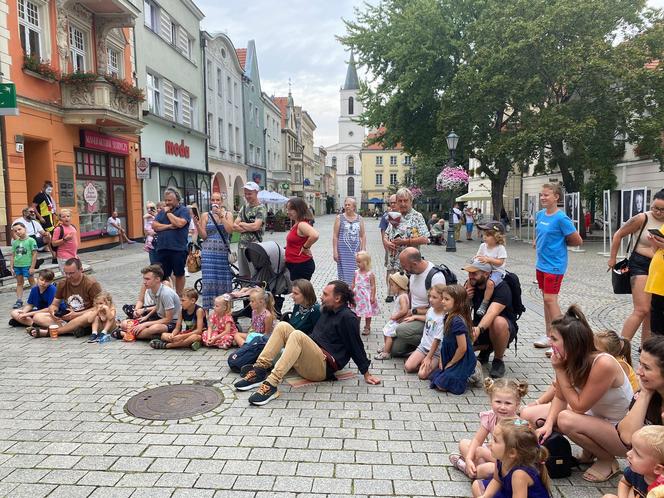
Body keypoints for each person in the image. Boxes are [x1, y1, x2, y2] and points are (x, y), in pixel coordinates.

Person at [522, 305, 632, 483]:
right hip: (593, 419)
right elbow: (560, 396)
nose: (550, 343)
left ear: (571, 343)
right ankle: (590, 452)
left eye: (554, 339)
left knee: (566, 418)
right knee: (528, 414)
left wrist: (560, 370)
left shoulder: (603, 363)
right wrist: (548, 424)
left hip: (619, 432)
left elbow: (579, 406)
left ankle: (607, 460)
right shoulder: (570, 358)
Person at [233, 280, 381, 406]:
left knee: (297, 335)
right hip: (311, 358)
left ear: (338, 298)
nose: (321, 297)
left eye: (325, 294)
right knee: (282, 326)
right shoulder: (327, 310)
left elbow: (356, 346)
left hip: (323, 368)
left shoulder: (348, 318)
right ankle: (259, 370)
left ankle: (271, 384)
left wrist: (366, 373)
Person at [608, 189, 664, 343]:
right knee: (642, 309)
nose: (657, 212)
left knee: (652, 311)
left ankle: (646, 345)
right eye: (655, 208)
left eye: (662, 209)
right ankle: (620, 346)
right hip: (640, 263)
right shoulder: (642, 217)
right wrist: (612, 258)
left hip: (659, 267)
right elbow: (619, 234)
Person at [532, 183, 583, 353]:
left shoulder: (562, 219)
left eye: (546, 195)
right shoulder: (540, 215)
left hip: (555, 265)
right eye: (541, 195)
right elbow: (539, 232)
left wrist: (560, 244)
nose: (543, 198)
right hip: (541, 264)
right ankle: (549, 336)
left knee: (550, 300)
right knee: (546, 301)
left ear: (556, 197)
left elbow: (577, 240)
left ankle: (562, 341)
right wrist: (537, 242)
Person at [450, 378, 529, 480]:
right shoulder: (490, 416)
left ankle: (467, 469)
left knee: (489, 468)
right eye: (498, 402)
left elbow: (514, 459)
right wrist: (469, 458)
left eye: (508, 403)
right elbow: (478, 440)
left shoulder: (519, 424)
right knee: (464, 443)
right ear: (491, 401)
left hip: (508, 464)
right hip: (493, 453)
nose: (502, 407)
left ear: (517, 404)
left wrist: (484, 453)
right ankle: (471, 466)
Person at [471, 418, 552, 498]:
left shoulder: (519, 474)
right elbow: (496, 481)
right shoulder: (500, 459)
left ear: (512, 453)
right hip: (508, 492)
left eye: (495, 440)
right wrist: (486, 496)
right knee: (476, 486)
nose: (490, 443)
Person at [463, 259, 517, 378]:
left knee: (498, 322)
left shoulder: (501, 287)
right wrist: (465, 299)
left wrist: (478, 330)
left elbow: (492, 313)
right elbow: (458, 313)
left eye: (474, 273)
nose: (470, 276)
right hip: (479, 326)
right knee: (458, 348)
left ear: (486, 274)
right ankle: (486, 348)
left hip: (502, 329)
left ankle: (498, 360)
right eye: (469, 273)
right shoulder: (471, 285)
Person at [391, 248, 447, 357]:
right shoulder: (414, 271)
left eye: (404, 266)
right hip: (413, 315)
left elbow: (441, 308)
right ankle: (417, 345)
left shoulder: (436, 277)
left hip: (429, 319)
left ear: (414, 263)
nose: (403, 269)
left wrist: (413, 312)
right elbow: (412, 294)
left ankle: (432, 346)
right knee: (395, 351)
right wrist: (404, 311)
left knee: (401, 331)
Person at [29, 258, 101, 338]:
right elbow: (54, 305)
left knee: (90, 315)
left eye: (71, 273)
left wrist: (76, 314)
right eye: (65, 273)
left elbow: (99, 307)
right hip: (67, 318)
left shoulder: (91, 284)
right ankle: (74, 330)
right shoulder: (62, 283)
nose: (68, 276)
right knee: (37, 317)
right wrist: (53, 313)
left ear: (81, 270)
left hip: (84, 317)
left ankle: (51, 332)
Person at [428, 284, 478, 394]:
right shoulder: (448, 316)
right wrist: (442, 359)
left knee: (442, 385)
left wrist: (451, 362)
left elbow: (462, 347)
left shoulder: (457, 321)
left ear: (457, 302)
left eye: (447, 299)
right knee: (435, 377)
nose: (442, 301)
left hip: (461, 359)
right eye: (443, 298)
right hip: (450, 355)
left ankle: (472, 373)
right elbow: (444, 340)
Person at [118, 265, 181, 341]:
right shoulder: (151, 289)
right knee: (125, 323)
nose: (144, 282)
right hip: (159, 318)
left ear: (157, 279)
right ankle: (136, 333)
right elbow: (158, 306)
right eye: (144, 279)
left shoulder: (166, 293)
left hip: (173, 323)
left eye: (147, 279)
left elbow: (168, 319)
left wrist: (145, 324)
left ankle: (128, 333)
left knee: (155, 328)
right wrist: (146, 317)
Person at [602, 426, 664, 498]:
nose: (628, 453)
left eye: (637, 454)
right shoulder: (636, 471)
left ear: (658, 469)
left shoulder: (661, 488)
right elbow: (624, 483)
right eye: (632, 448)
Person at [197, 192, 234, 310]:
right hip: (208, 253)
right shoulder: (205, 215)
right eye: (213, 200)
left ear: (221, 202)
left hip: (222, 253)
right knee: (209, 280)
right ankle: (208, 312)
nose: (215, 202)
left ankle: (225, 310)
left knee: (224, 279)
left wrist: (221, 216)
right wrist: (197, 224)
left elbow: (229, 230)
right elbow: (203, 236)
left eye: (217, 200)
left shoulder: (228, 214)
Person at [403, 283, 447, 379]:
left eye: (434, 297)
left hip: (435, 352)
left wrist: (428, 357)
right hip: (423, 347)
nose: (430, 299)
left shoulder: (443, 317)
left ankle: (436, 364)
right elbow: (428, 319)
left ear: (443, 299)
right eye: (430, 296)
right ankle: (421, 362)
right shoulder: (431, 309)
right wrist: (415, 317)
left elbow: (437, 340)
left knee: (422, 375)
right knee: (408, 367)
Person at [152, 188, 191, 296]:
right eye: (166, 200)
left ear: (177, 199)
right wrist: (169, 226)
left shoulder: (183, 211)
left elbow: (179, 223)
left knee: (179, 273)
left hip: (178, 248)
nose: (167, 203)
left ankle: (178, 296)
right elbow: (154, 226)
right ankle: (166, 295)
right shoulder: (161, 212)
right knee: (162, 274)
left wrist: (168, 213)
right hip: (162, 248)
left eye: (170, 200)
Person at [383, 188, 430, 277]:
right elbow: (386, 234)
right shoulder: (395, 215)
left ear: (411, 201)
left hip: (409, 267)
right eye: (400, 201)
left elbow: (426, 239)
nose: (403, 204)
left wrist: (406, 241)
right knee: (392, 290)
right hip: (393, 264)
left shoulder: (417, 216)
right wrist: (387, 242)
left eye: (405, 201)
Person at [234, 181, 267, 279]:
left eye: (250, 194)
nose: (247, 196)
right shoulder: (244, 208)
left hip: (254, 246)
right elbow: (234, 226)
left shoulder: (261, 208)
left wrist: (243, 224)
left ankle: (254, 293)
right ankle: (244, 292)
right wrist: (248, 226)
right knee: (244, 274)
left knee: (255, 273)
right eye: (245, 194)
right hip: (242, 245)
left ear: (256, 193)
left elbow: (256, 227)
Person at [475, 221, 508, 317]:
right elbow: (478, 255)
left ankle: (484, 304)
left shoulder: (500, 248)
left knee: (490, 283)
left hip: (497, 271)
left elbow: (500, 262)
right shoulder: (483, 246)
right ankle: (469, 298)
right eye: (484, 235)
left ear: (497, 237)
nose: (484, 237)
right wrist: (476, 258)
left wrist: (488, 259)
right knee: (472, 277)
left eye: (488, 235)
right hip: (484, 269)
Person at [375, 272, 410, 360]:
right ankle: (387, 347)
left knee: (389, 334)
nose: (390, 287)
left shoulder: (402, 297)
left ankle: (386, 352)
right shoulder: (401, 295)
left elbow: (404, 310)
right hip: (396, 319)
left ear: (399, 286)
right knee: (385, 331)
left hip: (398, 320)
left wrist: (395, 316)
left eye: (392, 285)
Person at [284, 197, 319, 281]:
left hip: (300, 265)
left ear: (299, 209)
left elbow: (315, 235)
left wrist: (305, 247)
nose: (288, 212)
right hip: (295, 264)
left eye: (291, 210)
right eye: (287, 209)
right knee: (299, 292)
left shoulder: (302, 224)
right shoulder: (296, 223)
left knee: (300, 292)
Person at [333, 197, 366, 284]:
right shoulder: (339, 218)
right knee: (343, 274)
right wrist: (335, 251)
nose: (347, 207)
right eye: (346, 205)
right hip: (343, 252)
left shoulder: (360, 218)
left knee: (356, 272)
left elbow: (362, 235)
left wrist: (363, 250)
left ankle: (354, 292)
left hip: (356, 252)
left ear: (354, 207)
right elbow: (335, 236)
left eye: (349, 205)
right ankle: (345, 292)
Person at [10, 222, 37, 309]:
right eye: (15, 231)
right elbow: (13, 255)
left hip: (27, 265)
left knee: (32, 282)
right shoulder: (15, 242)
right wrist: (11, 267)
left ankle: (36, 300)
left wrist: (32, 267)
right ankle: (19, 300)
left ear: (24, 228)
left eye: (19, 229)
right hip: (17, 266)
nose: (17, 232)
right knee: (19, 283)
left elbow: (34, 254)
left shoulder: (31, 240)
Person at [352, 251, 379, 336]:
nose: (357, 264)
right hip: (357, 296)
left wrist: (373, 296)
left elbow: (373, 286)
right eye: (357, 261)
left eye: (359, 262)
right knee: (357, 313)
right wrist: (350, 292)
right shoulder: (356, 272)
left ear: (366, 262)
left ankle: (367, 327)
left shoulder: (370, 274)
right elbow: (353, 283)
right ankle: (356, 326)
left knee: (367, 313)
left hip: (366, 296)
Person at [32, 180, 57, 263]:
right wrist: (40, 217)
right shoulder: (39, 196)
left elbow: (49, 207)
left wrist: (54, 214)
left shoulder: (47, 196)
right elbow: (34, 207)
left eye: (51, 189)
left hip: (49, 218)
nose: (50, 191)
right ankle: (54, 256)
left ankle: (54, 256)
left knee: (50, 237)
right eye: (48, 189)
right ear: (43, 188)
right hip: (44, 219)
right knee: (51, 237)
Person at [646, 224, 664, 336]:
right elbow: (655, 251)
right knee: (657, 315)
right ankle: (656, 349)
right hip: (659, 277)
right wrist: (654, 242)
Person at [380, 194, 398, 302]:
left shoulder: (402, 215)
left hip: (402, 250)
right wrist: (385, 245)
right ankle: (390, 293)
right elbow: (383, 232)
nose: (393, 204)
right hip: (390, 249)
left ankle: (400, 292)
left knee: (400, 271)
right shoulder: (387, 216)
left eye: (395, 202)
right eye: (391, 203)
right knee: (390, 270)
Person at [50, 209, 79, 274]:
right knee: (68, 276)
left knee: (75, 275)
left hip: (73, 255)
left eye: (68, 216)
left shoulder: (73, 227)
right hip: (63, 256)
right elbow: (53, 244)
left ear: (71, 217)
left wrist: (75, 254)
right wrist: (65, 239)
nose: (66, 218)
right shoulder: (58, 229)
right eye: (63, 217)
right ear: (60, 219)